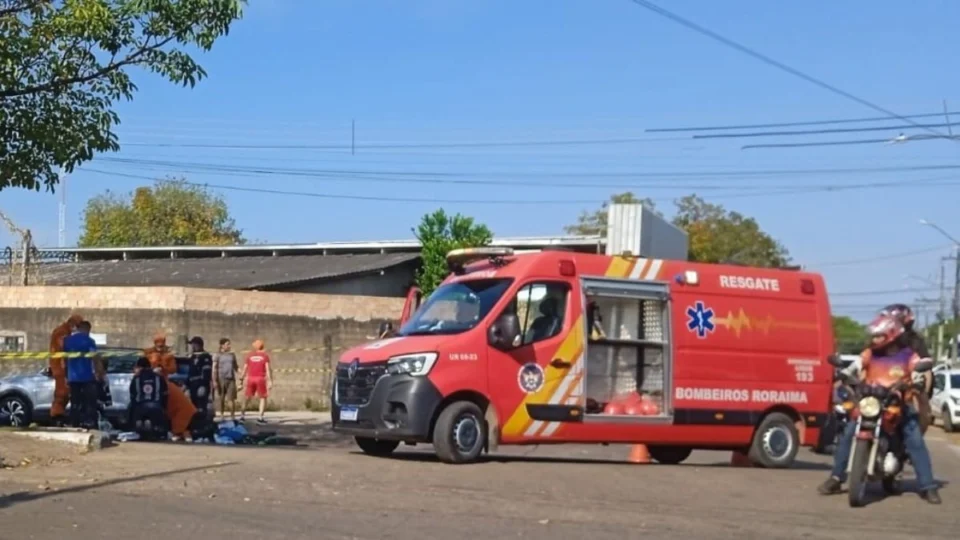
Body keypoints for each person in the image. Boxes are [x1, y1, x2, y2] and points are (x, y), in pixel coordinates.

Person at [818, 314, 941, 504]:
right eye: (874, 336)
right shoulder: (870, 353)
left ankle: (928, 487)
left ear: (891, 334)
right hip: (871, 402)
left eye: (878, 336)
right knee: (848, 434)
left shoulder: (908, 355)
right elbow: (856, 365)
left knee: (914, 440)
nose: (874, 339)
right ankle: (836, 478)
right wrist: (844, 373)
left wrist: (916, 382)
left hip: (898, 405)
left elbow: (918, 370)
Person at [880, 303, 934, 430]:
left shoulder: (915, 339)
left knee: (926, 375)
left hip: (907, 378)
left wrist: (918, 386)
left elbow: (924, 360)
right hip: (883, 378)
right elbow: (868, 358)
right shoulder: (880, 339)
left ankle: (921, 414)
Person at [144, 333, 197, 442]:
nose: (160, 347)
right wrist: (151, 370)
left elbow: (173, 369)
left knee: (182, 405)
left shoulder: (168, 355)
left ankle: (180, 430)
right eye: (158, 345)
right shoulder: (148, 354)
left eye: (161, 345)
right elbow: (140, 367)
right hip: (150, 384)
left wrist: (163, 367)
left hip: (164, 383)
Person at [62, 320, 102, 429]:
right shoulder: (89, 341)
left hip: (73, 377)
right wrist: (99, 372)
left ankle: (74, 423)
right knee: (90, 402)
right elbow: (95, 358)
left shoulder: (67, 341)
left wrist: (66, 375)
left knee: (75, 402)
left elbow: (64, 359)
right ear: (87, 329)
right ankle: (90, 423)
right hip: (87, 377)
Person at [49, 313, 83, 425]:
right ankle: (56, 416)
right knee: (62, 392)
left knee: (65, 392)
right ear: (73, 324)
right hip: (60, 366)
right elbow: (64, 347)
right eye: (78, 326)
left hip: (61, 366)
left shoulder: (63, 331)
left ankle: (59, 415)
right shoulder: (62, 332)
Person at [127, 357, 170, 440]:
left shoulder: (136, 378)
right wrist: (163, 407)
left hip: (140, 407)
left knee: (134, 412)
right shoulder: (159, 377)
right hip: (156, 406)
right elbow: (165, 393)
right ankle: (154, 428)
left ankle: (139, 424)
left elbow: (132, 395)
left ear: (139, 367)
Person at [239, 339, 272, 424]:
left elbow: (245, 368)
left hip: (250, 378)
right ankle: (260, 417)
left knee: (247, 397)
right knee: (263, 398)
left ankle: (242, 416)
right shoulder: (265, 356)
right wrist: (270, 380)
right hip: (260, 379)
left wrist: (241, 379)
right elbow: (267, 369)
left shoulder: (249, 356)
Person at [212, 338, 239, 421]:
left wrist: (241, 373)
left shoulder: (232, 355)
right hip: (221, 379)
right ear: (222, 345)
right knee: (221, 398)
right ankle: (222, 415)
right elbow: (214, 368)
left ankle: (232, 416)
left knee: (231, 399)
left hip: (231, 379)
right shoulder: (217, 355)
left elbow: (236, 366)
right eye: (227, 344)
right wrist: (214, 380)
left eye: (229, 344)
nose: (229, 346)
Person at [186, 336, 213, 416]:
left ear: (198, 345)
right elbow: (190, 372)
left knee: (201, 406)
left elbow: (207, 372)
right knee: (193, 407)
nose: (192, 346)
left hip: (200, 385)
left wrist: (203, 386)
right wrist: (186, 385)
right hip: (193, 385)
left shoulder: (205, 356)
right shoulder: (193, 356)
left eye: (193, 344)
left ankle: (202, 421)